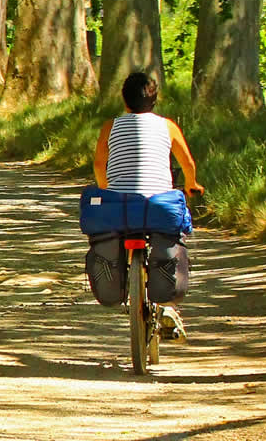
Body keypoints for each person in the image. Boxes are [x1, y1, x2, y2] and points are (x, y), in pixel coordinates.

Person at [92, 72, 203, 339]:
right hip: (158, 206)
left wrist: (106, 190)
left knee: (118, 232)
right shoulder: (168, 127)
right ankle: (165, 304)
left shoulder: (111, 126)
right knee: (168, 233)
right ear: (155, 99)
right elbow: (187, 164)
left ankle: (122, 282)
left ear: (124, 99)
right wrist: (192, 183)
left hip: (121, 206)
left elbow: (98, 163)